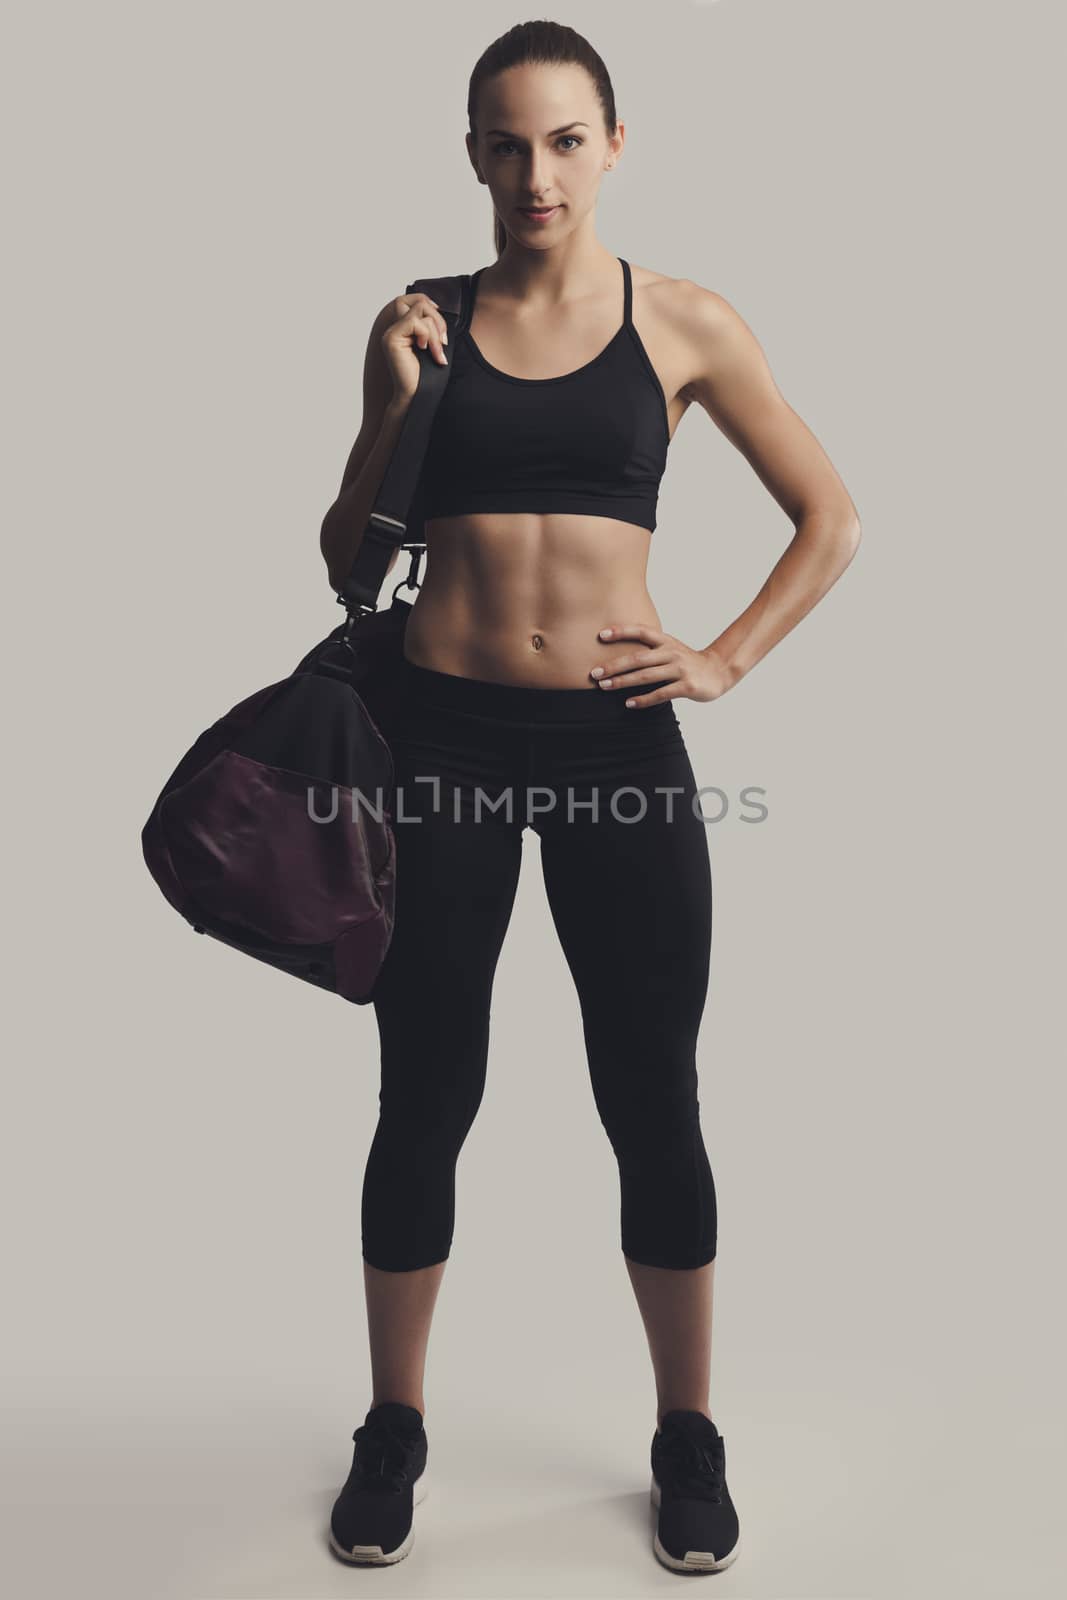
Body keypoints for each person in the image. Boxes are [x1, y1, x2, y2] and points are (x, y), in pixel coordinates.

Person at [319, 19, 860, 1577]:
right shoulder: (420, 322)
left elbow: (829, 516)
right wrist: (384, 402)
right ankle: (393, 1426)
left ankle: (686, 1433)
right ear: (473, 153)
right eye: (507, 140)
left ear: (613, 146)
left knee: (651, 1090)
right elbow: (351, 560)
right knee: (425, 1088)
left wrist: (727, 660)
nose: (536, 170)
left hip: (617, 748)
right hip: (439, 742)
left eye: (566, 139)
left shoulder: (683, 322)